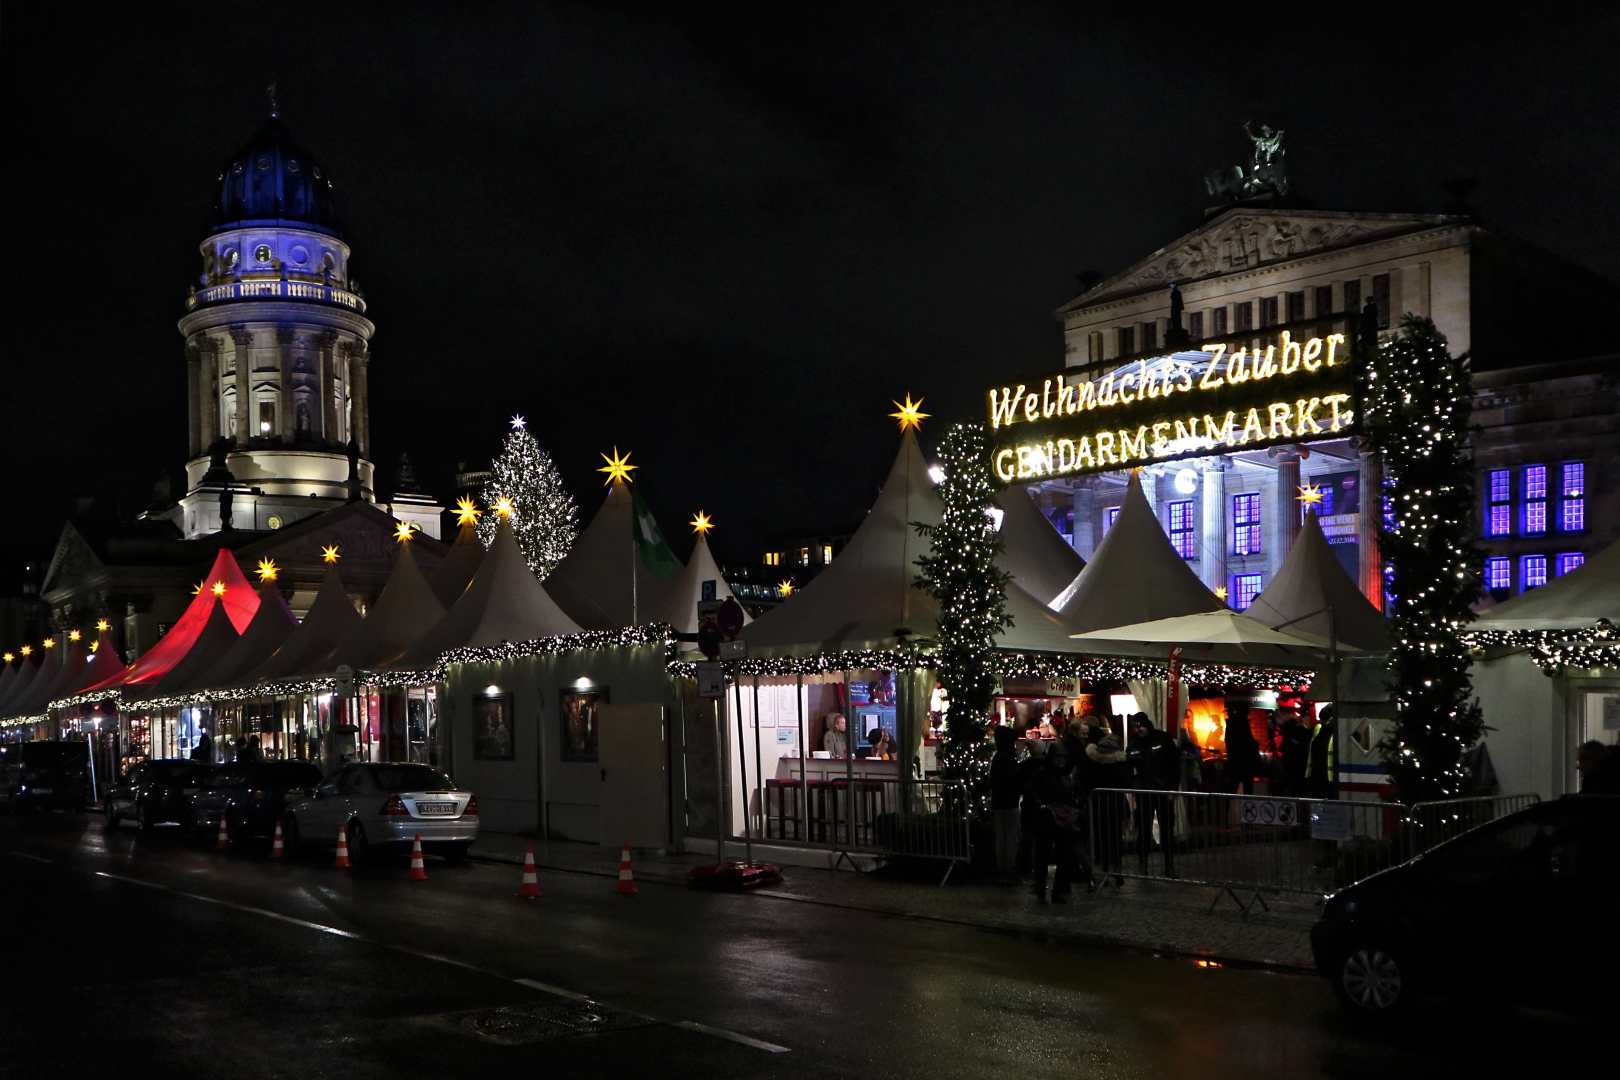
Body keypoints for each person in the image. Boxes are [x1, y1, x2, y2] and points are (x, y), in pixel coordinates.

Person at [1028, 744, 1084, 901]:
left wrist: (1076, 803)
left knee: (1064, 855)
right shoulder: (1043, 773)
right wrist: (1041, 806)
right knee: (1043, 854)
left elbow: (1079, 793)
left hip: (1065, 818)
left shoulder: (1069, 775)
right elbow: (1032, 791)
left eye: (1063, 757)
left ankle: (1058, 890)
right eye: (1058, 757)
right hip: (1046, 818)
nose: (1060, 760)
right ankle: (1042, 886)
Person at [1127, 713, 1180, 876]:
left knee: (1166, 830)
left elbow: (1174, 764)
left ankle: (1169, 866)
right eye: (1135, 727)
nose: (1138, 730)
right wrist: (1134, 784)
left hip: (1163, 790)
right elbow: (1128, 766)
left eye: (1140, 726)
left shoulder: (1162, 738)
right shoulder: (1134, 742)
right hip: (1144, 791)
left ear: (1146, 725)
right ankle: (1143, 866)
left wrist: (1173, 788)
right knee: (1143, 830)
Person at [1086, 732, 1130, 884]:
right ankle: (1116, 870)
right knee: (1115, 837)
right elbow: (1126, 782)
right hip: (1115, 805)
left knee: (1099, 837)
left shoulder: (1092, 759)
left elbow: (1087, 781)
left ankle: (1102, 869)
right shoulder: (1119, 762)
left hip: (1097, 804)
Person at [989, 726, 1024, 881]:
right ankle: (1009, 868)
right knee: (1011, 837)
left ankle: (1001, 867)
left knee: (1001, 836)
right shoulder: (1007, 758)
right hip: (1010, 803)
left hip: (998, 802)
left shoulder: (998, 757)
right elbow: (1013, 780)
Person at [1224, 698, 1261, 796]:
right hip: (1246, 762)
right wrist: (1256, 743)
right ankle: (1247, 810)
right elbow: (1248, 741)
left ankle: (1225, 809)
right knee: (1248, 788)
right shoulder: (1242, 723)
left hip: (1234, 761)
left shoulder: (1231, 723)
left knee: (1232, 787)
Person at [1306, 709, 1338, 800]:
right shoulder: (1318, 729)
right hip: (1316, 777)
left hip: (1331, 780)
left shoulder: (1336, 733)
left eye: (1324, 720)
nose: (1321, 722)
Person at [1279, 711, 1311, 796]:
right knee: (1298, 790)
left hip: (1290, 771)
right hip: (1301, 771)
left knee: (1291, 791)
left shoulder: (1288, 740)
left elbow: (1282, 748)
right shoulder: (1304, 743)